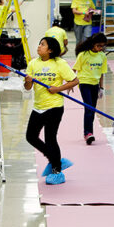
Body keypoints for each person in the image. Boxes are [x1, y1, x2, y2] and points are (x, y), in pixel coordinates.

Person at [24, 37, 79, 185]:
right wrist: (28, 82)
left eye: (43, 44)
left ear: (50, 50)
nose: (39, 46)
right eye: (39, 43)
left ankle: (57, 171)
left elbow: (75, 81)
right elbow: (28, 88)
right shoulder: (33, 63)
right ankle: (55, 159)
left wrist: (58, 89)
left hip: (54, 107)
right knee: (30, 136)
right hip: (38, 106)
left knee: (50, 138)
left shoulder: (59, 64)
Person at [73, 33, 108, 145]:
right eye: (98, 46)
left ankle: (89, 133)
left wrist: (101, 88)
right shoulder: (83, 55)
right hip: (84, 83)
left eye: (102, 46)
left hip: (95, 85)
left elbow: (102, 73)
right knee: (88, 108)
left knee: (92, 110)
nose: (100, 48)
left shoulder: (102, 56)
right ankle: (87, 133)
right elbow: (74, 70)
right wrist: (70, 84)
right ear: (93, 44)